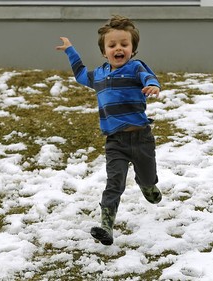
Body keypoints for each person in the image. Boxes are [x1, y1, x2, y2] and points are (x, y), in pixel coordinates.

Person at [56, 15, 162, 246]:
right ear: (104, 51)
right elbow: (81, 75)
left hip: (141, 138)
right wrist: (70, 51)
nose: (118, 49)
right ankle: (106, 226)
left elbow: (148, 76)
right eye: (112, 45)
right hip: (115, 142)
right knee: (114, 183)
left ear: (132, 49)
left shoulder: (135, 67)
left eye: (124, 44)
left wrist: (153, 85)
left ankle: (147, 185)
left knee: (146, 175)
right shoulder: (99, 75)